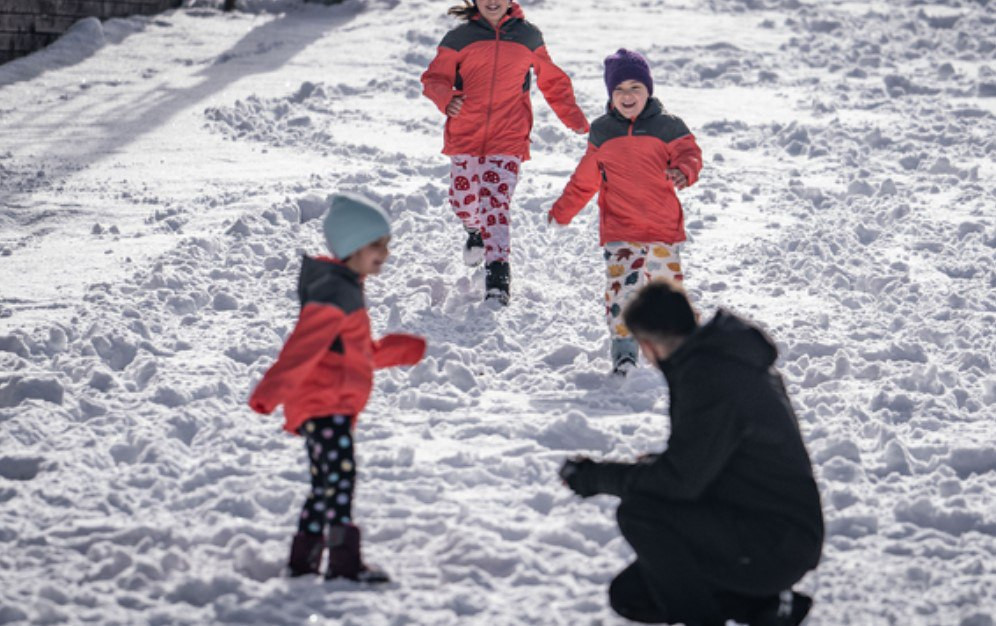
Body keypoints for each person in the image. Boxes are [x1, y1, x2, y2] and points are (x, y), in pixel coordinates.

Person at [559, 280, 824, 626]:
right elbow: (709, 461)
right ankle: (767, 609)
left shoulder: (708, 377)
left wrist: (594, 477)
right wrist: (656, 466)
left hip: (775, 541)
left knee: (641, 512)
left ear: (649, 346)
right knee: (633, 595)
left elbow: (680, 481)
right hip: (768, 527)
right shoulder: (721, 360)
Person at [248, 193, 426, 582]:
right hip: (323, 404)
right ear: (351, 246)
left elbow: (351, 353)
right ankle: (344, 564)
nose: (386, 253)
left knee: (325, 484)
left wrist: (397, 350)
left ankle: (303, 561)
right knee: (340, 480)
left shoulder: (344, 289)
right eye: (376, 244)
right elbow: (302, 349)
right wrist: (269, 391)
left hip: (328, 403)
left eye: (387, 244)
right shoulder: (334, 294)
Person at [421, 0, 589, 305]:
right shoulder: (459, 38)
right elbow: (434, 79)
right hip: (465, 135)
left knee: (495, 203)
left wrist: (573, 117)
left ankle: (498, 277)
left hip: (508, 136)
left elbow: (553, 81)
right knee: (463, 201)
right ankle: (473, 229)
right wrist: (447, 98)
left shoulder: (527, 37)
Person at [547, 49, 703, 374]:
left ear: (649, 90)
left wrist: (683, 171)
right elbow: (585, 177)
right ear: (610, 94)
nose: (627, 95)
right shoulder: (603, 132)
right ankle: (624, 351)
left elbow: (690, 153)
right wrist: (564, 209)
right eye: (619, 89)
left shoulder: (669, 126)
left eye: (635, 87)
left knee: (667, 292)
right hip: (620, 229)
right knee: (622, 291)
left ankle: (675, 348)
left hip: (662, 227)